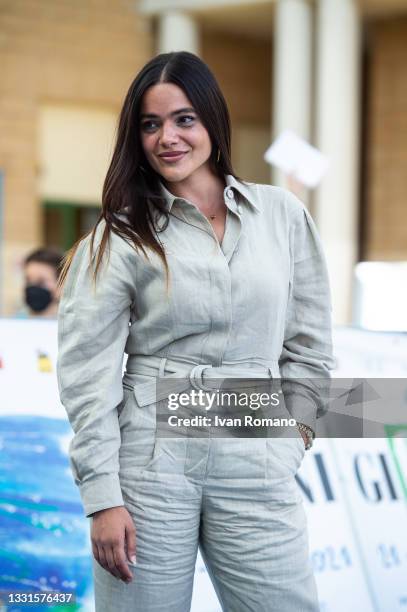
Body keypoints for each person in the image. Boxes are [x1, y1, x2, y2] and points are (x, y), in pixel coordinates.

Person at [56, 51, 334, 612]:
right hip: (150, 464)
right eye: (151, 124)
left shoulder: (280, 215)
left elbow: (309, 346)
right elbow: (87, 377)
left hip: (256, 453)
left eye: (184, 119)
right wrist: (103, 498)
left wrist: (293, 436)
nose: (168, 138)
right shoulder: (117, 238)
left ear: (212, 121)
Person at [15, 247, 63, 318]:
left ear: (61, 285)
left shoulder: (68, 326)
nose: (33, 286)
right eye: (28, 280)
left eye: (41, 282)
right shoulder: (14, 323)